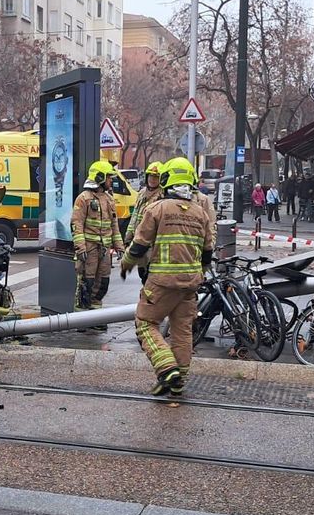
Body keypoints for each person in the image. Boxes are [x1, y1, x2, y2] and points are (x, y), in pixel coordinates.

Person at [120, 159, 214, 397]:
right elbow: (207, 251)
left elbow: (139, 245)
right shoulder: (200, 213)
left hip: (162, 282)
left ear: (166, 180)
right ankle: (178, 380)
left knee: (145, 324)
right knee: (182, 330)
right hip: (190, 284)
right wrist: (199, 272)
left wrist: (126, 264)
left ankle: (166, 368)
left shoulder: (158, 208)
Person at [72, 160, 125, 324]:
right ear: (100, 177)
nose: (111, 181)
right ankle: (81, 319)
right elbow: (76, 224)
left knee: (102, 283)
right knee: (86, 284)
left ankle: (95, 318)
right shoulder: (84, 199)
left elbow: (114, 224)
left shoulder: (109, 199)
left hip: (104, 251)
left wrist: (119, 246)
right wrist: (81, 248)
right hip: (89, 250)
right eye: (109, 177)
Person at [124, 161, 165, 282]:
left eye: (156, 177)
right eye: (151, 176)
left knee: (150, 274)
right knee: (142, 271)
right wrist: (128, 236)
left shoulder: (162, 195)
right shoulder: (142, 193)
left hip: (153, 242)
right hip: (139, 238)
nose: (153, 179)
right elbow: (135, 216)